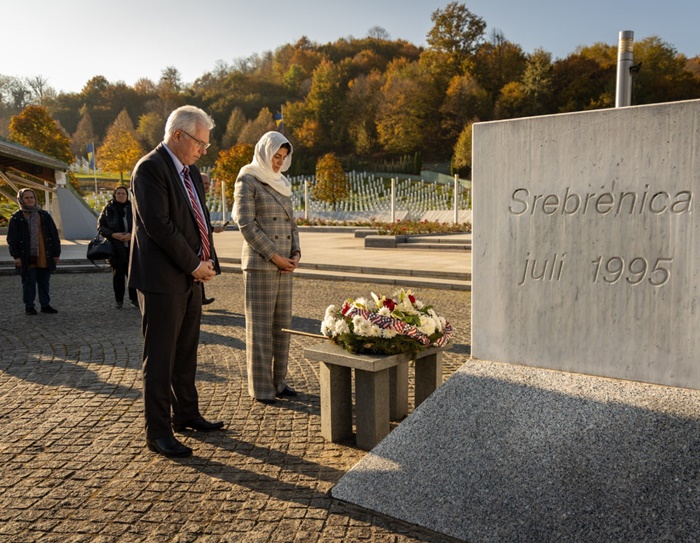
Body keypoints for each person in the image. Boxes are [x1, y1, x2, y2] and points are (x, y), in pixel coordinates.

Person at [129, 105, 223, 458]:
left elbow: (200, 218)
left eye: (205, 145)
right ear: (178, 135)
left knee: (185, 353)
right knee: (160, 358)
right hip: (161, 279)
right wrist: (194, 264)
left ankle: (186, 414)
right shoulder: (150, 169)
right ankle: (158, 432)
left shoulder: (190, 171)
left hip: (191, 276)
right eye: (200, 142)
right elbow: (160, 227)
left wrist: (209, 261)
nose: (203, 150)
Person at [234, 131, 301, 405]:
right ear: (264, 152)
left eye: (283, 158)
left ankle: (279, 381)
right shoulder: (247, 178)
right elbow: (246, 224)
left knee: (282, 327)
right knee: (260, 329)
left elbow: (291, 223)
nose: (278, 163)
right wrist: (275, 256)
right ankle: (261, 388)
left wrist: (296, 252)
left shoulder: (282, 183)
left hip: (285, 264)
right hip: (262, 264)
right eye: (275, 156)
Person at [7, 188, 61, 315]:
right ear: (21, 200)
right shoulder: (16, 218)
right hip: (27, 256)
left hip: (44, 255)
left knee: (44, 282)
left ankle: (45, 305)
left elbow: (54, 236)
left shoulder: (44, 215)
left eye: (32, 197)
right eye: (26, 198)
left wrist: (56, 253)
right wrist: (16, 256)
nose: (30, 200)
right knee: (28, 282)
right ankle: (29, 306)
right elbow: (12, 239)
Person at [97, 186, 138, 309]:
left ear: (127, 195)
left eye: (123, 193)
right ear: (115, 195)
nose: (121, 195)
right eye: (118, 193)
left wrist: (132, 234)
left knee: (133, 275)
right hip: (115, 248)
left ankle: (134, 299)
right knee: (118, 277)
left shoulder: (133, 208)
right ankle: (119, 300)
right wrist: (113, 234)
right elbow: (100, 226)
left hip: (132, 247)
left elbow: (140, 224)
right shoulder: (108, 209)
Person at [199, 173, 225, 306]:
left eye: (208, 183)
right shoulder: (196, 198)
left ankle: (201, 297)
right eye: (204, 183)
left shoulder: (202, 198)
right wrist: (214, 229)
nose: (207, 186)